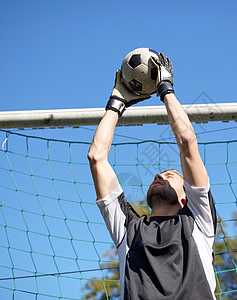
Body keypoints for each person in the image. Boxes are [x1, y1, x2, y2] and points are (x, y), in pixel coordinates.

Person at [88, 53, 217, 299]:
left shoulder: (199, 221)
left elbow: (187, 142)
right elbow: (96, 157)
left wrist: (165, 89)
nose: (159, 174)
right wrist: (117, 101)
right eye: (161, 173)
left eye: (171, 175)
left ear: (185, 198)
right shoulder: (128, 228)